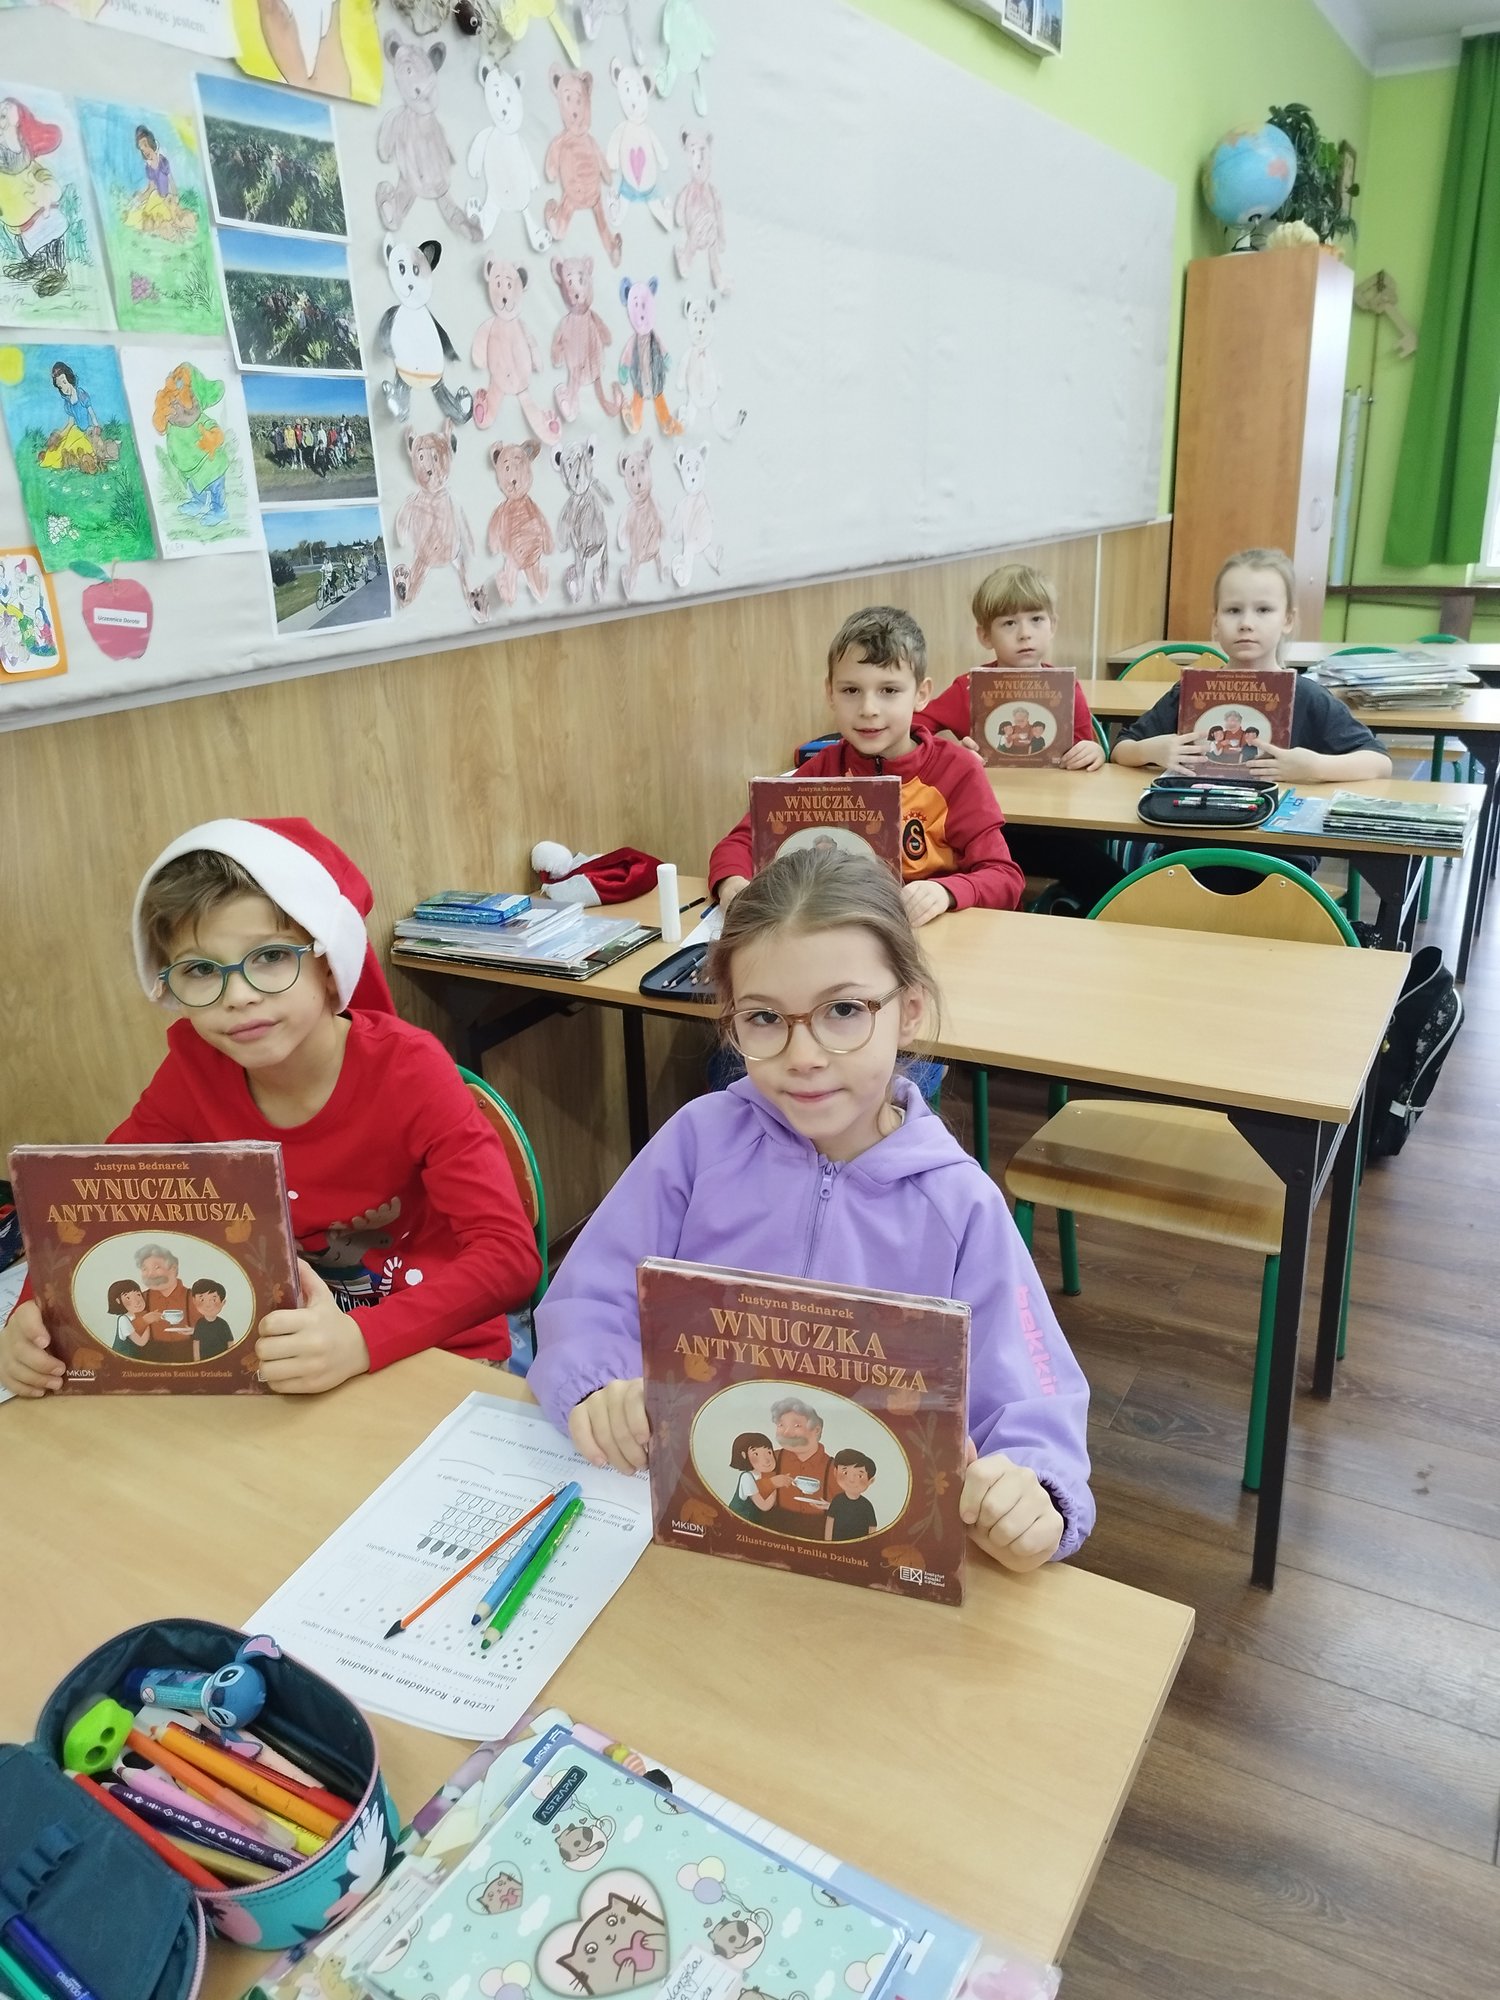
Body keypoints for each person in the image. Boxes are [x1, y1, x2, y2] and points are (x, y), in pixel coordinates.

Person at [528, 847, 1094, 1573]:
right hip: (687, 1522)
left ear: (909, 1011)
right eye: (765, 1017)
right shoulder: (698, 1143)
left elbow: (1033, 1403)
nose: (804, 1055)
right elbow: (588, 1299)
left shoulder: (961, 1206)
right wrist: (597, 1387)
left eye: (845, 1011)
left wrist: (1034, 1494)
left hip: (869, 1553)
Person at [0, 817, 541, 1400]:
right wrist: (34, 1310)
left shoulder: (411, 1071)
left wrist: (359, 1341)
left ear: (330, 966)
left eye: (272, 956)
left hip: (435, 1346)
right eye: (200, 970)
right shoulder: (193, 1072)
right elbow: (92, 1197)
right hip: (283, 1357)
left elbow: (509, 1258)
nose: (238, 995)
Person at [710, 606, 1023, 927]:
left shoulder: (957, 771)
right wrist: (731, 883)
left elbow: (1004, 877)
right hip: (843, 931)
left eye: (889, 690)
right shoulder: (822, 769)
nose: (868, 709)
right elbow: (739, 843)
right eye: (851, 691)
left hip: (929, 935)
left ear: (921, 694)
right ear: (830, 693)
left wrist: (946, 891)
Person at [921, 564, 1123, 912]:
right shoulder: (968, 688)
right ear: (985, 636)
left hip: (1053, 826)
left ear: (1052, 625)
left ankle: (1091, 918)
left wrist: (1094, 752)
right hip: (986, 829)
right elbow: (913, 726)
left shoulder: (1065, 688)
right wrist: (952, 752)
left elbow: (1083, 748)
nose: (1025, 634)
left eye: (1036, 619)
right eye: (1009, 623)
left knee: (1101, 874)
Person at [1112, 549, 1392, 786]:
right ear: (1215, 622)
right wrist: (1152, 750)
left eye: (1264, 610)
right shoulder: (1191, 692)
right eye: (1233, 610)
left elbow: (1379, 761)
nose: (1246, 623)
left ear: (1287, 620)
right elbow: (1121, 748)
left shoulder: (1307, 696)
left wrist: (1315, 767)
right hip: (1197, 824)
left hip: (1275, 829)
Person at [125, 125, 193, 242]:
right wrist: (139, 200)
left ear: (151, 144)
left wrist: (175, 196)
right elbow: (151, 188)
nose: (145, 151)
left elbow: (171, 181)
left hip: (168, 199)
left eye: (145, 146)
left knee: (169, 217)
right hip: (156, 198)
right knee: (145, 217)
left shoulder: (163, 161)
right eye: (142, 149)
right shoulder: (149, 167)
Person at [824, 1449, 878, 1541]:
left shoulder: (866, 1505)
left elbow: (872, 1527)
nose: (851, 1480)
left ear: (870, 1480)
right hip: (837, 1544)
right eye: (845, 1473)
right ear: (835, 1473)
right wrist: (828, 1542)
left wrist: (869, 1544)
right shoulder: (837, 1500)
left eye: (859, 1476)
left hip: (858, 1546)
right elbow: (830, 1521)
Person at [727, 1431, 778, 1522]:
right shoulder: (747, 1477)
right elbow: (764, 1506)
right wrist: (774, 1484)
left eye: (769, 1452)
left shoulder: (761, 1476)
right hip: (739, 1520)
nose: (767, 1460)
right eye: (756, 1454)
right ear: (744, 1455)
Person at [189, 1279, 234, 1361]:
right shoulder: (200, 1324)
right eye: (202, 1300)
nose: (208, 1305)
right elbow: (196, 1343)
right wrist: (197, 1361)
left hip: (221, 1361)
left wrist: (230, 1359)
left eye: (213, 1300)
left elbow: (230, 1343)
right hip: (204, 1362)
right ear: (194, 1301)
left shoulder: (223, 1324)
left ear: (223, 1302)